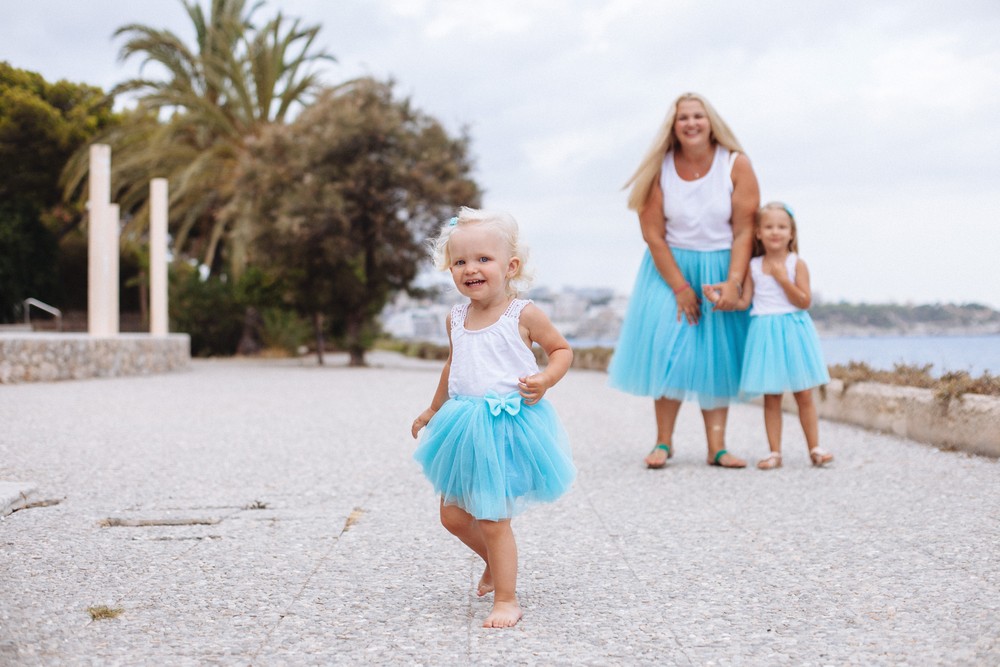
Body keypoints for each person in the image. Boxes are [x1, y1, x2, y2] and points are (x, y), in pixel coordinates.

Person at [410, 207, 576, 628]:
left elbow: (562, 350)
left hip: (506, 426)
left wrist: (546, 379)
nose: (471, 269)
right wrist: (434, 408)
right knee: (452, 516)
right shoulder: (456, 317)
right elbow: (454, 366)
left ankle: (507, 598)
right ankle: (494, 563)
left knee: (492, 518)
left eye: (483, 259)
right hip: (463, 426)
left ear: (510, 266)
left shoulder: (523, 314)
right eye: (460, 261)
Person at [608, 92, 760, 469]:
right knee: (668, 348)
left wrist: (734, 282)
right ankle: (663, 442)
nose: (691, 123)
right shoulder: (660, 169)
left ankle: (717, 448)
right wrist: (680, 288)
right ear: (673, 127)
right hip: (668, 269)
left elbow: (744, 231)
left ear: (711, 123)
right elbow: (653, 235)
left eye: (698, 116)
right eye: (683, 118)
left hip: (722, 267)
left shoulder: (736, 165)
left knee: (716, 352)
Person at [703, 202, 833, 469]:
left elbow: (804, 301)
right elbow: (745, 301)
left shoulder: (797, 263)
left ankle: (815, 447)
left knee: (803, 393)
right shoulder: (753, 265)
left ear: (791, 233)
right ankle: (774, 452)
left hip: (793, 329)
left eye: (782, 227)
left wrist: (783, 278)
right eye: (769, 226)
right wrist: (719, 298)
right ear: (759, 233)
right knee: (771, 396)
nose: (776, 232)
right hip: (764, 331)